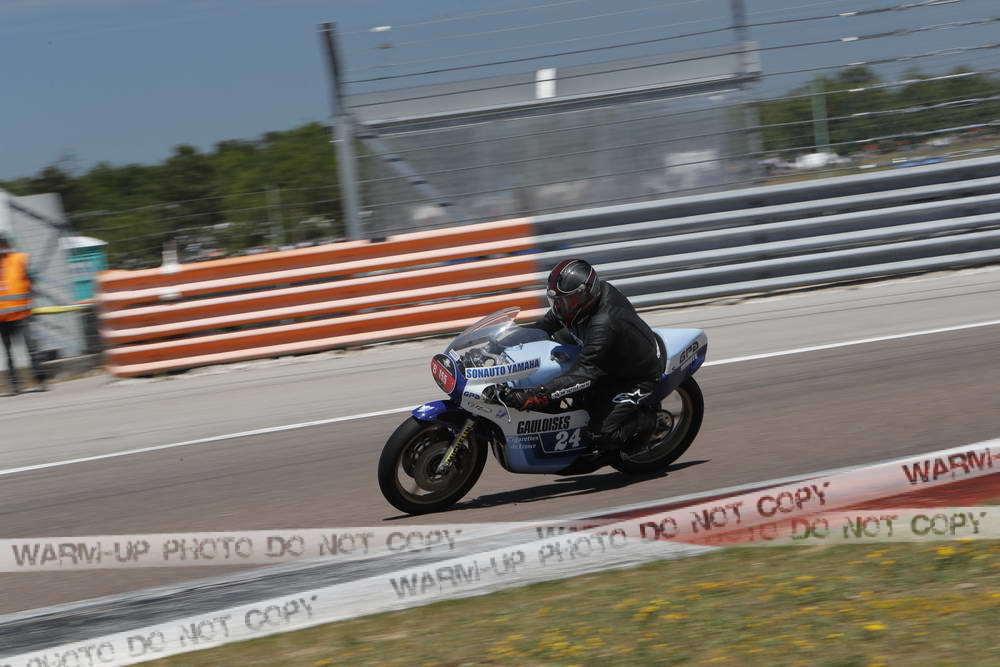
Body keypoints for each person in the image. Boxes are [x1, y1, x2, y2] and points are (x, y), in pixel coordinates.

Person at [488, 258, 664, 465]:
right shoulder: (574, 306)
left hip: (632, 376)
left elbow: (586, 373)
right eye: (557, 300)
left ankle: (648, 422)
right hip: (602, 356)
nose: (561, 306)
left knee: (601, 434)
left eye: (568, 301)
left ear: (586, 294)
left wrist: (536, 395)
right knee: (550, 352)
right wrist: (496, 345)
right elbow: (541, 328)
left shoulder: (603, 324)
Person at [0, 234, 48, 396]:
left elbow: (32, 281)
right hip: (3, 319)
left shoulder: (20, 259)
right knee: (9, 353)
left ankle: (41, 381)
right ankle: (14, 386)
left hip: (22, 314)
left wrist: (31, 297)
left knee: (32, 349)